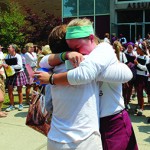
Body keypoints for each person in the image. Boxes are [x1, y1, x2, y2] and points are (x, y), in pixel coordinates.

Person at [37, 18, 137, 150]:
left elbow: (126, 74)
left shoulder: (103, 49)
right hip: (92, 123)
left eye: (77, 48)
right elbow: (43, 61)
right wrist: (66, 55)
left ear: (91, 38)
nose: (77, 53)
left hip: (112, 120)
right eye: (72, 50)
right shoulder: (76, 60)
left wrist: (51, 78)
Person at [3, 44, 28, 112]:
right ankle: (11, 105)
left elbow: (19, 66)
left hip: (18, 73)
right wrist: (5, 65)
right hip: (10, 74)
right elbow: (4, 63)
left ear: (13, 49)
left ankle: (20, 104)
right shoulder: (7, 56)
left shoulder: (18, 56)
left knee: (19, 90)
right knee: (10, 90)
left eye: (9, 47)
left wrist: (10, 66)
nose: (8, 48)